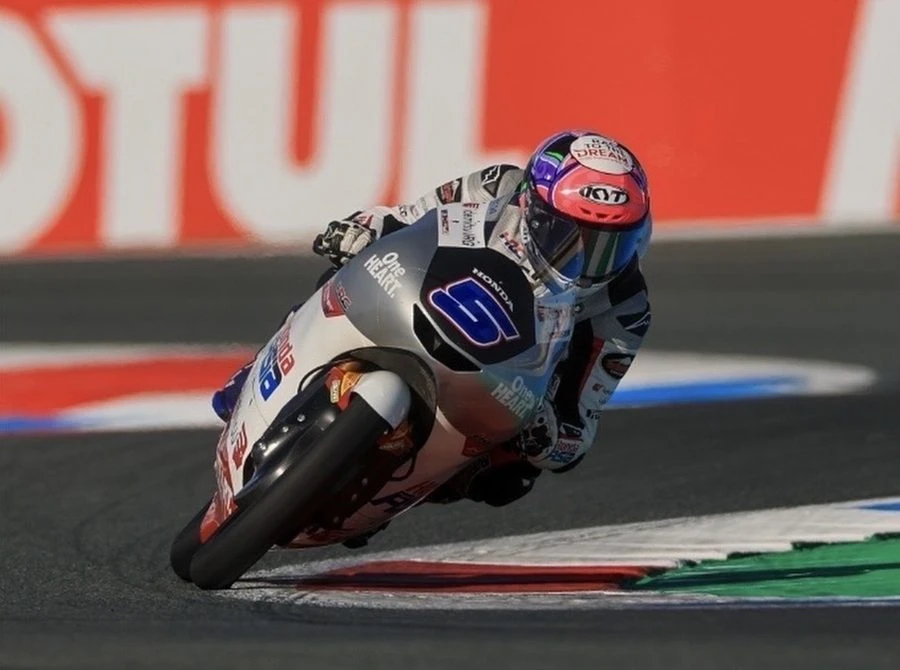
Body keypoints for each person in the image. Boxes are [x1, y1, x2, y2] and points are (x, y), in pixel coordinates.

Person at [213, 129, 653, 516]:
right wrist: (361, 230)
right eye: (569, 233)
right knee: (342, 270)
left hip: (505, 385)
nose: (587, 259)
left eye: (608, 247)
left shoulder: (626, 309)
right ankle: (260, 369)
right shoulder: (497, 186)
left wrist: (551, 438)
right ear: (531, 204)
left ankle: (388, 492)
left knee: (509, 480)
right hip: (426, 300)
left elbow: (581, 424)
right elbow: (409, 219)